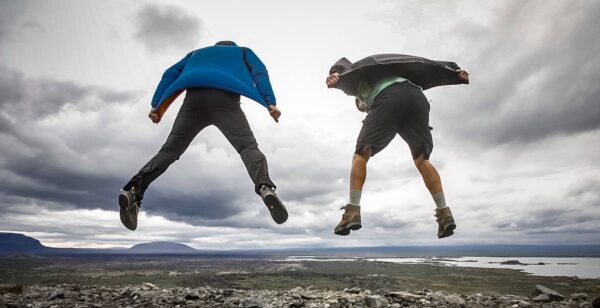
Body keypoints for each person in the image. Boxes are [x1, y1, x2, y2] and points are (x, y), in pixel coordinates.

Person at [119, 41, 287, 231]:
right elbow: (259, 72)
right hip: (225, 101)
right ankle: (265, 187)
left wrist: (157, 105)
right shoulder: (243, 52)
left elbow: (170, 73)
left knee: (170, 150)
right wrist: (269, 102)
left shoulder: (195, 54)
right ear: (232, 46)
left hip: (193, 101)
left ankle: (133, 190)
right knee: (247, 148)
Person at [325, 53, 469, 238]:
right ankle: (444, 213)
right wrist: (454, 72)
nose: (364, 109)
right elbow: (426, 64)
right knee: (422, 160)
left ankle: (352, 211)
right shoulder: (393, 74)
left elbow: (343, 64)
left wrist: (335, 74)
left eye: (363, 106)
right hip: (417, 99)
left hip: (388, 99)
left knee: (360, 155)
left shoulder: (360, 84)